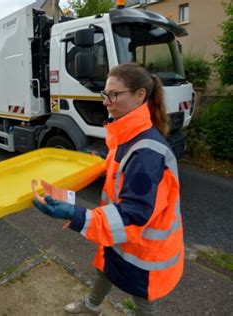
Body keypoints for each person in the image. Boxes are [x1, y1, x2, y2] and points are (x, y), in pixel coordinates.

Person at [33, 63, 183, 315]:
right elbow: (122, 173)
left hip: (143, 248)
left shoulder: (146, 152)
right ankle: (92, 306)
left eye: (114, 94)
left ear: (139, 96)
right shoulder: (128, 134)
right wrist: (96, 164)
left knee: (143, 300)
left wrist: (74, 213)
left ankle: (92, 305)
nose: (106, 101)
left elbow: (133, 213)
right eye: (105, 94)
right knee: (105, 268)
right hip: (122, 238)